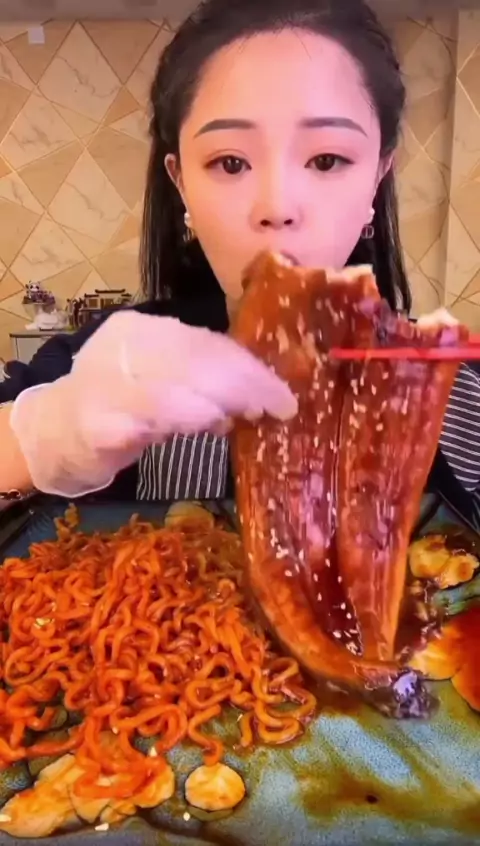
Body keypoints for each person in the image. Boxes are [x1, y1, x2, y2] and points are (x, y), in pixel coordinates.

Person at [0, 0, 479, 525]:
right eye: (231, 163)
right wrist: (48, 434)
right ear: (181, 182)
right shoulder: (114, 359)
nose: (277, 206)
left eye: (326, 160)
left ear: (378, 176)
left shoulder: (458, 388)